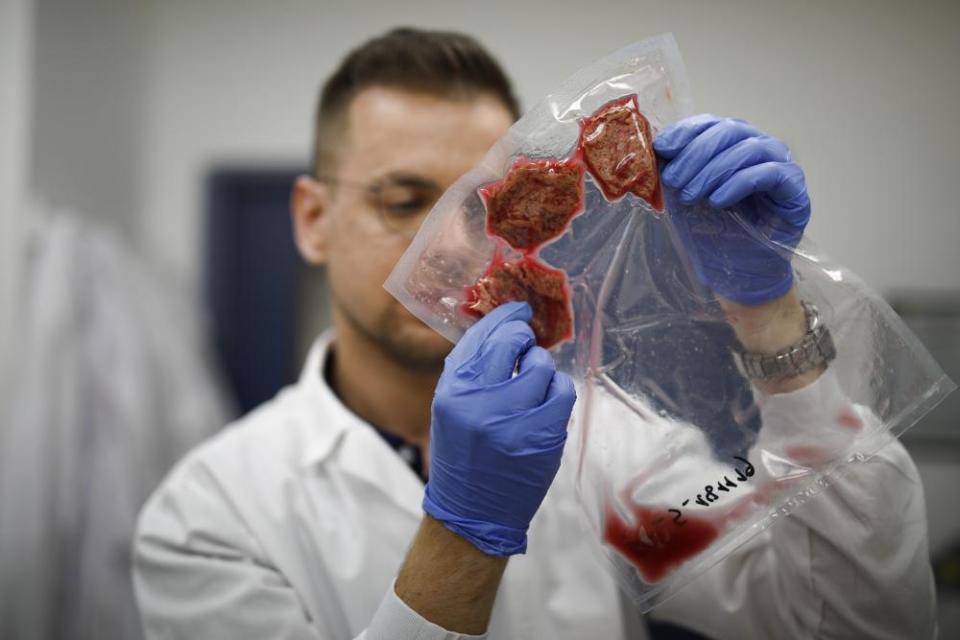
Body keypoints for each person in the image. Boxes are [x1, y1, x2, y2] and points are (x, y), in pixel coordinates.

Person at [132, 28, 936, 639]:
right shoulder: (211, 516)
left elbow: (846, 618)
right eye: (405, 201)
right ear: (312, 219)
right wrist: (461, 531)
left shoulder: (610, 443)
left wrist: (767, 312)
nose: (448, 249)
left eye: (479, 205)